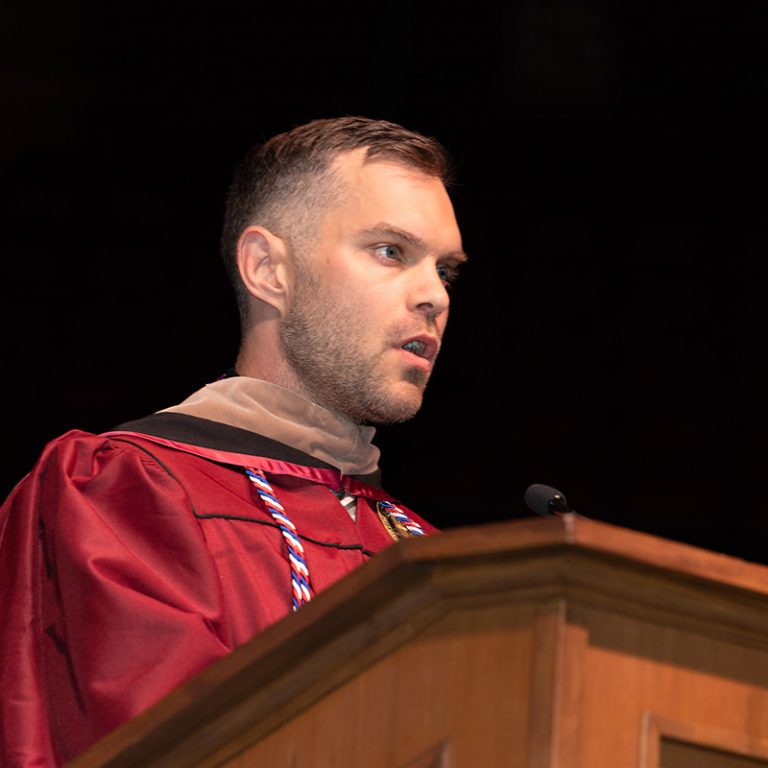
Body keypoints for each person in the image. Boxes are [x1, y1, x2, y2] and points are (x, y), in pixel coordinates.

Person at [0, 116, 467, 767]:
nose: (432, 296)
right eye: (390, 251)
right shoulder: (129, 493)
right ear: (268, 268)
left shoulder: (426, 551)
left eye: (445, 270)